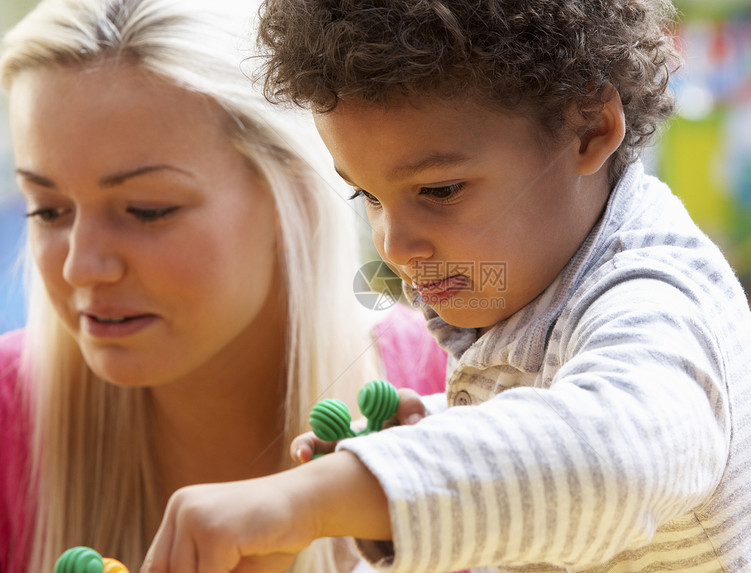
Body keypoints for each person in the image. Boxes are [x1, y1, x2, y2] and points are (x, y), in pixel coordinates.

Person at [140, 0, 751, 571]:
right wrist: (445, 439)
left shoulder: (654, 292)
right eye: (370, 197)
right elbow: (546, 512)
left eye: (440, 189)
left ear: (588, 129)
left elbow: (612, 456)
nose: (394, 243)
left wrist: (321, 496)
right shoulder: (526, 296)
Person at [0, 0, 447, 571]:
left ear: (294, 205)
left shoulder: (466, 395)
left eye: (147, 209)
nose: (81, 268)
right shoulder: (10, 420)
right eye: (48, 211)